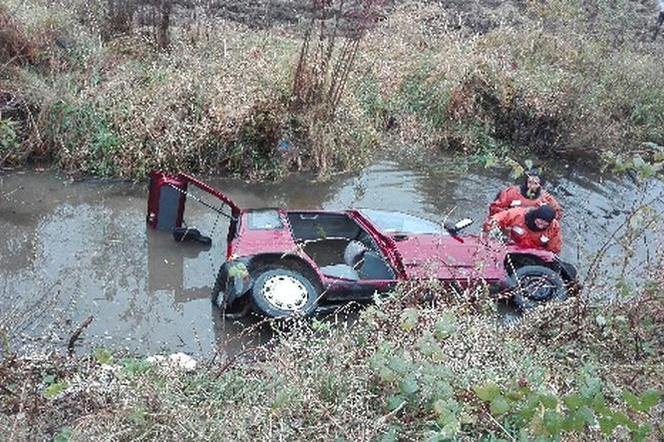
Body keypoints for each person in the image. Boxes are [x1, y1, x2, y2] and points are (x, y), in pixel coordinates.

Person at [483, 204, 562, 255]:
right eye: (540, 221)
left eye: (545, 223)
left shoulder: (554, 227)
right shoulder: (518, 214)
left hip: (534, 252)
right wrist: (492, 223)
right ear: (535, 215)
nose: (541, 225)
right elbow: (499, 217)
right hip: (513, 245)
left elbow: (554, 250)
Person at [488, 168, 562, 220]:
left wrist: (543, 219)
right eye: (530, 182)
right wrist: (511, 214)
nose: (531, 186)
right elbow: (494, 208)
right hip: (510, 223)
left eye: (535, 183)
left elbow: (557, 214)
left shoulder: (546, 198)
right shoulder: (511, 193)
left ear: (540, 185)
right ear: (526, 181)